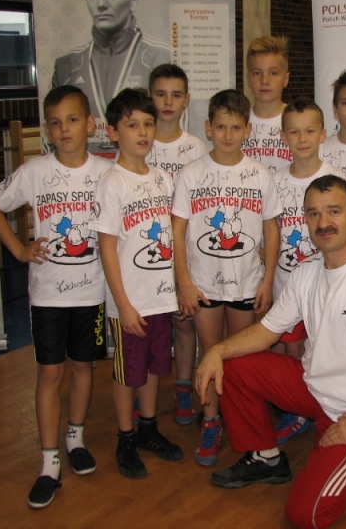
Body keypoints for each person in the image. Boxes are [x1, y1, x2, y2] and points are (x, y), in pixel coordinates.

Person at [196, 174, 346, 529]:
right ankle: (265, 458)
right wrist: (216, 350)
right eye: (314, 213)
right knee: (233, 365)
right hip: (313, 387)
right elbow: (267, 332)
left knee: (306, 515)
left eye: (334, 212)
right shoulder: (307, 271)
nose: (323, 222)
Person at [0, 85, 113, 508]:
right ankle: (48, 461)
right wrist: (19, 250)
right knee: (50, 373)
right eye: (55, 123)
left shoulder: (107, 172)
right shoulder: (34, 171)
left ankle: (75, 438)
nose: (64, 129)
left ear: (90, 124)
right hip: (47, 295)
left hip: (91, 292)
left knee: (82, 366)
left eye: (72, 120)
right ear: (46, 130)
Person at [171, 89, 281, 466]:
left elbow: (271, 230)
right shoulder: (191, 173)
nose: (228, 135)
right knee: (209, 350)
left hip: (247, 282)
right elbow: (177, 231)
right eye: (221, 127)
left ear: (248, 130)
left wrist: (267, 280)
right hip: (203, 283)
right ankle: (211, 421)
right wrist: (184, 282)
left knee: (239, 357)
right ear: (208, 128)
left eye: (236, 127)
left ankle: (239, 418)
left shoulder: (261, 175)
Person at [91, 88, 184, 479]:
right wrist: (123, 304)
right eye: (132, 125)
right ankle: (125, 436)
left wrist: (177, 288)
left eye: (148, 124)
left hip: (160, 297)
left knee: (154, 367)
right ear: (114, 132)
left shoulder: (163, 178)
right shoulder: (112, 182)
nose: (143, 132)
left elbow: (173, 238)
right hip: (129, 302)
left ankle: (148, 426)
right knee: (127, 371)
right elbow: (106, 248)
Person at [270, 98, 346, 443]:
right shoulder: (274, 181)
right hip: (286, 284)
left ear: (323, 134)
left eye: (310, 131)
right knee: (292, 350)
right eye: (294, 132)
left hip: (326, 285)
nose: (302, 139)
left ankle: (326, 408)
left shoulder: (337, 179)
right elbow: (269, 230)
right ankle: (297, 408)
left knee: (325, 350)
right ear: (283, 136)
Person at [145, 63, 207, 426]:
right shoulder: (140, 140)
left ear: (186, 100)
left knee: (184, 324)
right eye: (160, 94)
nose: (168, 102)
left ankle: (183, 387)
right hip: (146, 255)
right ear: (150, 96)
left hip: (185, 252)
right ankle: (142, 394)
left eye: (176, 95)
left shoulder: (196, 147)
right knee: (149, 329)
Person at [52, 0, 170, 127]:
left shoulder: (160, 58)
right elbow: (55, 124)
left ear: (134, 0)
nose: (101, 4)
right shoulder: (67, 65)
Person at [241, 36, 292, 172]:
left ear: (286, 79)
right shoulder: (237, 124)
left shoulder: (298, 123)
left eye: (273, 73)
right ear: (248, 79)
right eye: (257, 73)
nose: (264, 81)